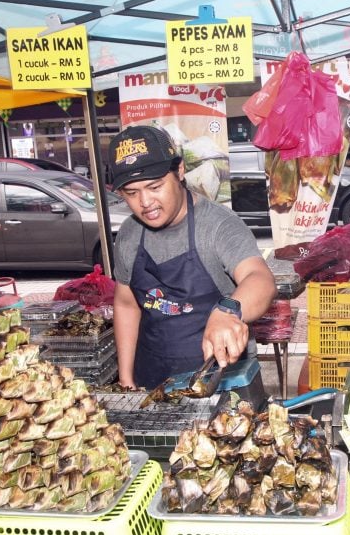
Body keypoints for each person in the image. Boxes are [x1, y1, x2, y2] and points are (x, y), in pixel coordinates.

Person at [107, 126, 276, 390]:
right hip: (152, 380)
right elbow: (127, 304)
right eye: (131, 193)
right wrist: (126, 379)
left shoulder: (218, 225)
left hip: (220, 383)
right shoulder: (129, 234)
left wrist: (228, 311)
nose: (145, 202)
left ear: (180, 171)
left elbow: (260, 279)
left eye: (155, 186)